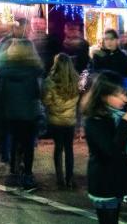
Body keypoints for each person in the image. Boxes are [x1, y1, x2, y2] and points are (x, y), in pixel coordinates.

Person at [82, 71, 127, 224]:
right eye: (119, 95)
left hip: (115, 179)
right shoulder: (94, 120)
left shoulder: (113, 114)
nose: (125, 98)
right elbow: (112, 151)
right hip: (104, 182)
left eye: (124, 93)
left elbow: (125, 136)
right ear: (104, 96)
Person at [0, 39, 43, 191]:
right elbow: (38, 93)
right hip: (29, 114)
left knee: (14, 143)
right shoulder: (34, 71)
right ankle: (27, 175)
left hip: (10, 114)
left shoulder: (3, 70)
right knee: (28, 146)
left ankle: (13, 173)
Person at [42, 53, 80, 189]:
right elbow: (77, 100)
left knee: (58, 148)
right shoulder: (76, 80)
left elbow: (46, 101)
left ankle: (60, 179)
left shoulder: (49, 81)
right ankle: (70, 178)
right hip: (70, 121)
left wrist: (54, 106)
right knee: (69, 149)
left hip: (55, 120)